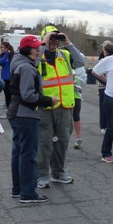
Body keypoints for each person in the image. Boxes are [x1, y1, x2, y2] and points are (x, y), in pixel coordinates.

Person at [7, 35, 58, 204]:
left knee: (19, 152)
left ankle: (18, 189)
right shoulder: (27, 68)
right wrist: (48, 100)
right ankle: (28, 193)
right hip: (25, 115)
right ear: (27, 50)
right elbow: (28, 95)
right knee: (28, 155)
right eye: (35, 48)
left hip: (16, 113)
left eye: (39, 47)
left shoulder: (19, 62)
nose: (39, 51)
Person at [35, 25, 86, 189]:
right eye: (51, 38)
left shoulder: (64, 55)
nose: (54, 42)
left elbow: (80, 62)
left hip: (65, 106)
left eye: (56, 39)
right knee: (44, 142)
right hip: (45, 107)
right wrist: (43, 44)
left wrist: (68, 42)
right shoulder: (37, 56)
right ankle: (42, 175)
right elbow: (32, 63)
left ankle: (58, 173)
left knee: (62, 141)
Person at [96, 41, 113, 133]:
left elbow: (96, 72)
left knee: (103, 107)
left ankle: (103, 126)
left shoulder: (102, 61)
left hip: (103, 86)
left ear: (105, 50)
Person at [0, 41, 15, 109]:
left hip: (11, 78)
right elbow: (0, 62)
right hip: (4, 78)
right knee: (7, 95)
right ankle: (8, 110)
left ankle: (13, 110)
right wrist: (6, 54)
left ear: (7, 48)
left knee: (12, 95)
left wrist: (8, 54)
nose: (1, 49)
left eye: (2, 47)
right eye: (0, 47)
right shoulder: (1, 55)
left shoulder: (12, 56)